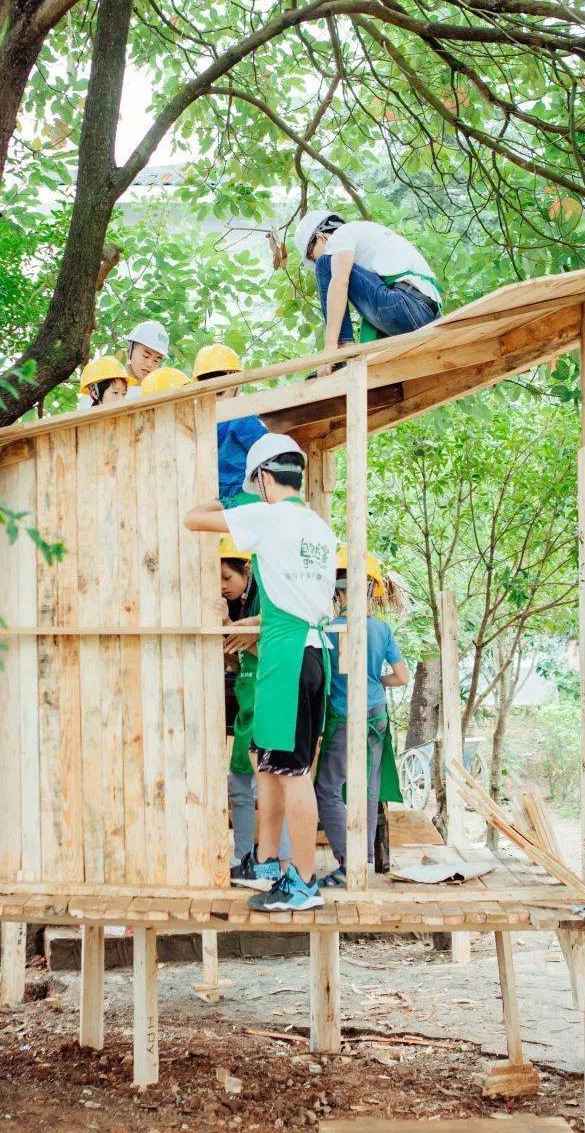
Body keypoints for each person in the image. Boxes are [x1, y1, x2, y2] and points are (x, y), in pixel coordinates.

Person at [184, 433, 336, 912]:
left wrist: (227, 491)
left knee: (292, 773)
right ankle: (267, 863)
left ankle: (304, 882)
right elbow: (298, 605)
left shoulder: (267, 516)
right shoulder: (318, 527)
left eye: (257, 483)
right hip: (309, 654)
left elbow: (192, 519)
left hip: (286, 660)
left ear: (266, 479)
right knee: (270, 765)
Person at [314, 547, 409, 888]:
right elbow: (401, 677)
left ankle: (345, 861)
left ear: (336, 590)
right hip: (376, 713)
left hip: (343, 715)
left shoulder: (325, 629)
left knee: (327, 788)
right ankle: (363, 862)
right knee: (368, 789)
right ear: (369, 590)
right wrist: (375, 680)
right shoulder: (382, 630)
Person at [219, 532, 291, 877]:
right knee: (240, 784)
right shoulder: (237, 607)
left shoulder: (268, 601)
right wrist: (231, 636)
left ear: (247, 570)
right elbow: (238, 663)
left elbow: (273, 654)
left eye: (227, 577)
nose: (223, 586)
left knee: (276, 783)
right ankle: (244, 856)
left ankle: (278, 860)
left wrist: (239, 631)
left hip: (269, 700)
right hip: (247, 704)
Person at [294, 211, 442, 364]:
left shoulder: (340, 235)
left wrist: (330, 346)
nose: (315, 259)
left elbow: (339, 282)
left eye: (312, 256)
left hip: (407, 305)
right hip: (425, 314)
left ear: (321, 236)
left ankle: (343, 346)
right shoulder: (369, 235)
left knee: (325, 264)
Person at [192, 343, 267, 506]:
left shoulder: (195, 421)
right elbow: (269, 452)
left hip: (207, 500)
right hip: (241, 499)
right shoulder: (241, 417)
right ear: (236, 384)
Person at [123, 320, 170, 386]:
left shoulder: (159, 391)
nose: (149, 364)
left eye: (156, 361)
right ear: (129, 351)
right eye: (146, 356)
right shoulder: (108, 387)